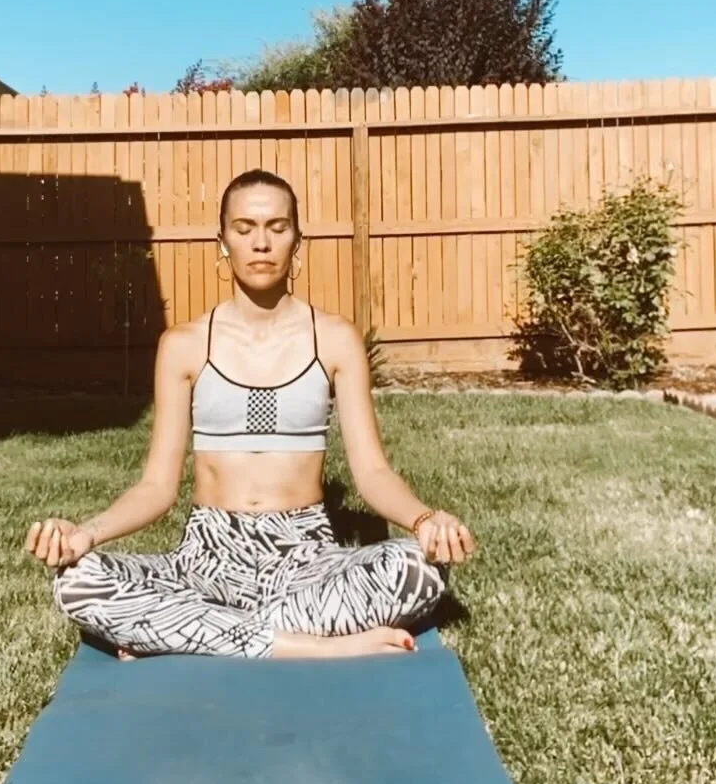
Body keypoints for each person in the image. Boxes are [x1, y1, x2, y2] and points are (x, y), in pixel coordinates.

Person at [25, 168, 476, 658]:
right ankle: (311, 647)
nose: (261, 243)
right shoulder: (184, 345)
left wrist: (424, 521)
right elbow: (156, 487)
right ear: (223, 241)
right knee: (77, 581)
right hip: (205, 560)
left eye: (277, 227)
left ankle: (187, 635)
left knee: (420, 569)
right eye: (244, 229)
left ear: (297, 240)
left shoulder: (335, 339)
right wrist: (85, 534)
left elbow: (372, 473)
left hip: (306, 558)